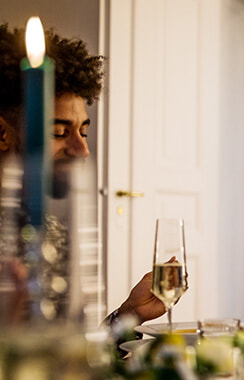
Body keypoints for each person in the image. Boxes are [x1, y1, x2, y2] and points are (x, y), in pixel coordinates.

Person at [0, 23, 165, 326]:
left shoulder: (50, 229)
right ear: (2, 132)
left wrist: (129, 314)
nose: (81, 150)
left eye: (83, 132)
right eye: (59, 132)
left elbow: (71, 353)